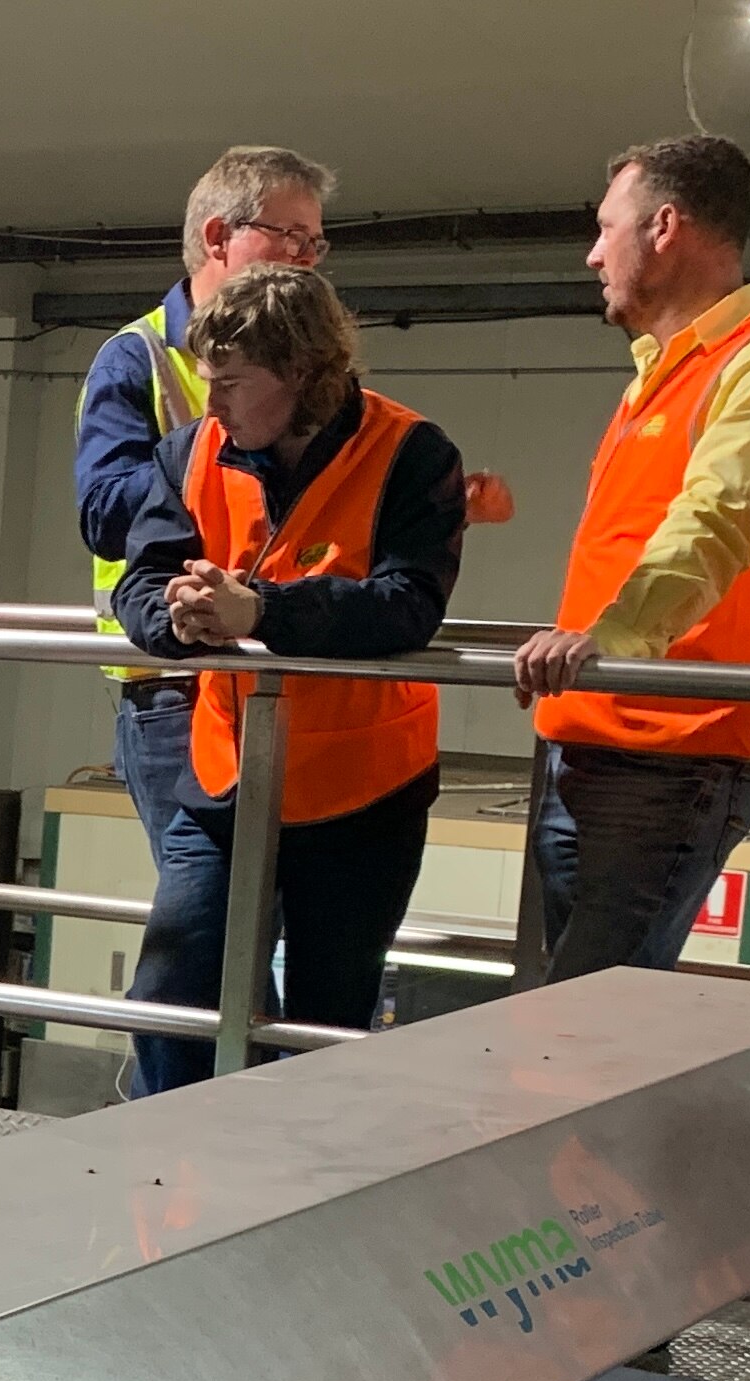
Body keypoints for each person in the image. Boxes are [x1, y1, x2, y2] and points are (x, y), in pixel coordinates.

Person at [112, 265, 466, 1089]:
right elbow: (137, 579)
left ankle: (293, 1192)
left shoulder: (413, 453)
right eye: (209, 385)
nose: (216, 407)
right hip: (226, 777)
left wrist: (261, 612)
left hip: (362, 791)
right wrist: (178, 616)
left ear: (304, 373)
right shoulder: (194, 450)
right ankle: (181, 1181)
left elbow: (408, 606)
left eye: (232, 384)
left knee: (324, 1023)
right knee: (169, 992)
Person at [512, 135, 750, 980]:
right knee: (577, 1010)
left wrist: (614, 639)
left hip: (678, 743)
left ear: (665, 226)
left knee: (589, 1019)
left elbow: (722, 514)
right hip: (591, 728)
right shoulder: (659, 374)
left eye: (605, 228)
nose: (593, 254)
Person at [78, 147, 338, 1005]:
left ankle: (241, 1104)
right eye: (289, 235)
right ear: (220, 236)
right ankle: (212, 1112)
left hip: (271, 671)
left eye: (316, 242)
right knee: (214, 941)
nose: (305, 255)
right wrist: (208, 469)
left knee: (272, 924)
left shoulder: (307, 365)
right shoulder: (139, 359)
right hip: (175, 682)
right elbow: (104, 509)